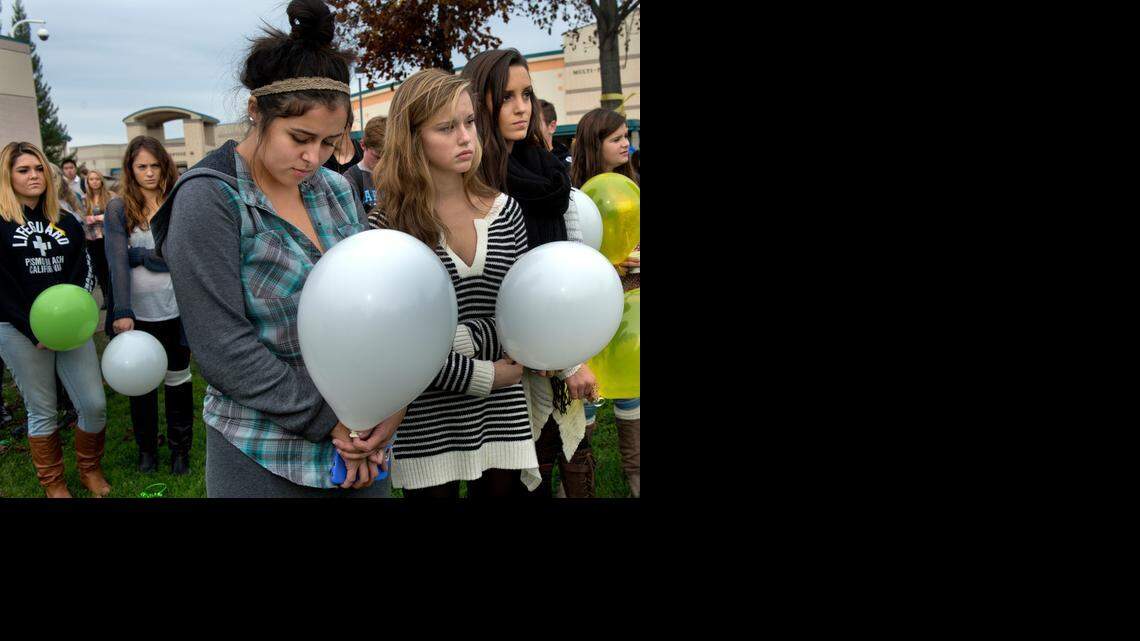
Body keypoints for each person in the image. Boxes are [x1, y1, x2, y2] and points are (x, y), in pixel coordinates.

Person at [151, 0, 396, 498]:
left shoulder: (336, 189)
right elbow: (222, 346)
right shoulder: (209, 199)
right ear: (256, 112)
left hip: (362, 440)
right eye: (300, 138)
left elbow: (373, 307)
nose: (313, 158)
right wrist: (332, 420)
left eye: (330, 143)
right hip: (262, 452)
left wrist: (385, 407)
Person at [369, 68, 537, 498]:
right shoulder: (389, 226)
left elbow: (522, 319)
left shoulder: (506, 212)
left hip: (502, 412)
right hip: (427, 417)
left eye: (469, 123)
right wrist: (485, 374)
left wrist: (454, 340)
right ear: (413, 137)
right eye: (446, 127)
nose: (465, 137)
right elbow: (398, 343)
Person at [462, 48, 601, 497]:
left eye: (526, 94)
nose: (521, 107)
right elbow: (501, 284)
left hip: (554, 345)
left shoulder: (547, 170)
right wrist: (563, 361)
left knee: (558, 461)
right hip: (500, 364)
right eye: (506, 97)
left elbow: (570, 256)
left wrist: (570, 349)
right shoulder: (475, 178)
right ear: (481, 102)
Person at [0, 141, 109, 498]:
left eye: (37, 169)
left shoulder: (66, 221)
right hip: (18, 329)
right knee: (42, 408)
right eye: (23, 170)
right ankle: (55, 483)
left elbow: (84, 268)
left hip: (70, 328)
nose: (33, 176)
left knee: (93, 404)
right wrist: (34, 329)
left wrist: (74, 317)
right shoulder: (0, 224)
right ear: (8, 176)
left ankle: (90, 469)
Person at [103, 135, 195, 475]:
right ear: (130, 169)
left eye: (155, 165)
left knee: (177, 380)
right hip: (138, 313)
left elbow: (180, 254)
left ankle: (180, 449)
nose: (150, 173)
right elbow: (115, 261)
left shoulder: (177, 201)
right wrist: (122, 311)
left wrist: (140, 255)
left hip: (176, 308)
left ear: (165, 165)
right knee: (140, 383)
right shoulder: (118, 208)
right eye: (142, 166)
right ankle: (146, 451)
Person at [571, 107, 641, 497]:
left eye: (626, 136)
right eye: (616, 139)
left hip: (630, 307)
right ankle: (579, 478)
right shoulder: (574, 196)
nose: (626, 145)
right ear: (594, 145)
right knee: (587, 397)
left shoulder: (635, 187)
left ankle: (635, 475)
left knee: (631, 390)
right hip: (591, 312)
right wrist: (608, 264)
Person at [82, 169, 114, 306]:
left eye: (97, 179)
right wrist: (94, 218)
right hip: (92, 238)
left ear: (101, 180)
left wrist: (95, 218)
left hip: (108, 236)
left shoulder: (110, 196)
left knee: (110, 266)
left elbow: (113, 215)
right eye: (91, 179)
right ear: (87, 182)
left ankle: (114, 294)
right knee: (99, 268)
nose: (94, 182)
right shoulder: (84, 199)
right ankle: (106, 296)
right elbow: (82, 218)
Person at [344, 116, 385, 213]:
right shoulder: (351, 178)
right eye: (377, 157)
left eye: (387, 158)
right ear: (363, 145)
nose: (382, 164)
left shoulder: (395, 175)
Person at [539, 99, 571, 170]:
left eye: (535, 124)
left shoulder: (568, 166)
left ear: (552, 126)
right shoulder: (519, 162)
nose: (529, 129)